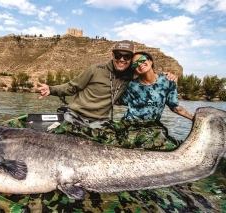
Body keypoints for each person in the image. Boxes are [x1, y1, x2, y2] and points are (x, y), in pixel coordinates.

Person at [36, 40, 177, 146]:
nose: (121, 59)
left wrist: (167, 76)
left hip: (100, 121)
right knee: (58, 143)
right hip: (76, 115)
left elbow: (148, 74)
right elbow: (72, 87)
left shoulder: (131, 77)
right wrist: (51, 89)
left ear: (130, 60)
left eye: (127, 57)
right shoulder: (95, 69)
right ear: (112, 55)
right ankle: (56, 126)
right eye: (118, 55)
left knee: (111, 147)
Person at [115, 51, 193, 151]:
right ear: (134, 70)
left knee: (176, 147)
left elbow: (175, 107)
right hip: (130, 125)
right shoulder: (132, 85)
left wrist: (194, 118)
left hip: (152, 126)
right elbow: (118, 102)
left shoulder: (168, 81)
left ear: (150, 61)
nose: (139, 64)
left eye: (142, 60)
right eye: (135, 64)